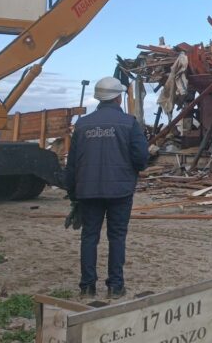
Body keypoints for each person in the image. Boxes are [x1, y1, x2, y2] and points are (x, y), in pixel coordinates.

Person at [63, 76, 149, 298]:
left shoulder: (82, 125)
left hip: (88, 191)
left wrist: (73, 194)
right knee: (117, 236)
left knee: (89, 236)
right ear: (119, 98)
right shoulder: (129, 123)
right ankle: (115, 286)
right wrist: (130, 172)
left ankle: (87, 287)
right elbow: (141, 157)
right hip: (120, 191)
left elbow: (72, 164)